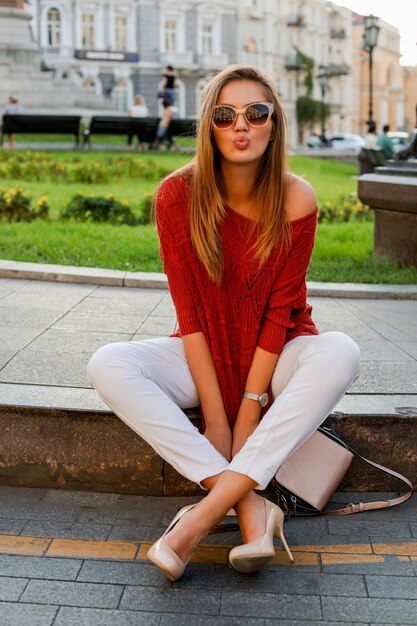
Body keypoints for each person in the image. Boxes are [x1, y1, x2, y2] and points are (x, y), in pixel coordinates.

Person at [87, 65, 360, 581]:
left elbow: (282, 311)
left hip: (276, 354)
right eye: (225, 114)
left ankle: (202, 518)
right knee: (109, 363)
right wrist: (216, 417)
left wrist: (249, 411)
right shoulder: (175, 195)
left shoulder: (297, 197)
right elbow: (188, 313)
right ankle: (252, 507)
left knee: (341, 351)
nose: (242, 125)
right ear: (209, 126)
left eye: (256, 113)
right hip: (202, 351)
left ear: (274, 124)